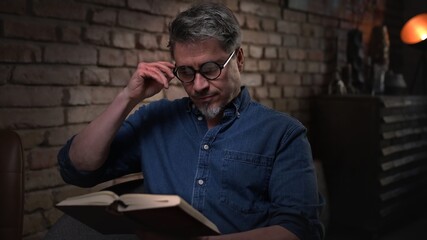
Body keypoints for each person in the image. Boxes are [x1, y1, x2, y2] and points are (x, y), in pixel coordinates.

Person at [58, 2, 324, 240]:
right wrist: (128, 97)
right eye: (186, 72)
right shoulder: (155, 119)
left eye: (210, 69)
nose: (198, 86)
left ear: (239, 59)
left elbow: (299, 229)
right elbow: (79, 168)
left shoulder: (282, 133)